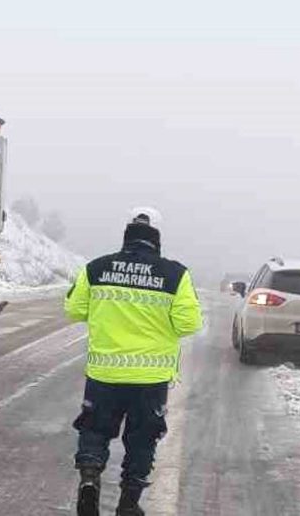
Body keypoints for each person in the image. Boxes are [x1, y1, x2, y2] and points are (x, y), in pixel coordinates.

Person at [65, 208, 203, 516]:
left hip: (104, 374)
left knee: (94, 430)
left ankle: (89, 480)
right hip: (149, 379)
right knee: (142, 439)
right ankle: (128, 504)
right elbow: (188, 324)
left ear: (127, 235)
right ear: (157, 239)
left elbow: (74, 309)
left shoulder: (96, 268)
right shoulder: (175, 274)